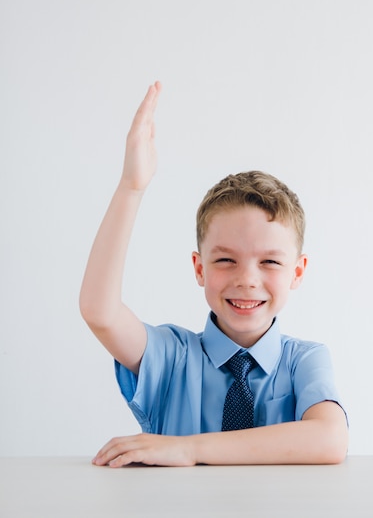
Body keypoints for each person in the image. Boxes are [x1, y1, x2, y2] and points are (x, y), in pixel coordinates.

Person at [79, 81, 348, 468]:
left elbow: (330, 439)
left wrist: (188, 448)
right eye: (225, 261)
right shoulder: (171, 357)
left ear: (297, 271)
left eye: (270, 262)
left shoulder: (303, 361)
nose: (247, 279)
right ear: (199, 268)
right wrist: (131, 188)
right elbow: (99, 311)